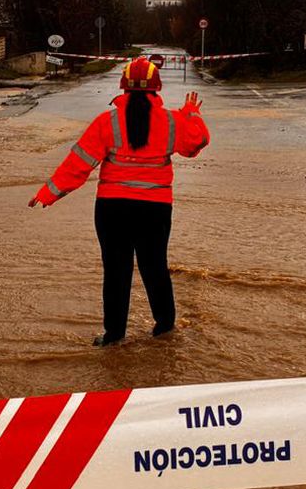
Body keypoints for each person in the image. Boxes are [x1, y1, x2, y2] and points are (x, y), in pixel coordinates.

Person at [29, 55, 209, 346]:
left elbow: (79, 163)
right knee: (155, 268)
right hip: (155, 209)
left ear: (123, 86)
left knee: (116, 271)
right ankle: (164, 330)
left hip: (112, 209)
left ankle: (113, 335)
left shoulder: (106, 122)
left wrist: (49, 193)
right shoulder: (172, 121)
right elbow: (197, 142)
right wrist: (191, 113)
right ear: (157, 88)